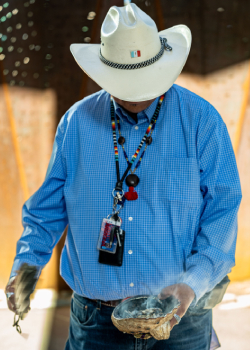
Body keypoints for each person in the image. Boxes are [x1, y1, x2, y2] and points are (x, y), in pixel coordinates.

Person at [5, 3, 242, 350]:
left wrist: (193, 282)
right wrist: (27, 264)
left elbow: (222, 209)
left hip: (180, 320)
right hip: (95, 324)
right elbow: (48, 208)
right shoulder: (76, 123)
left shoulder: (201, 122)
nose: (135, 95)